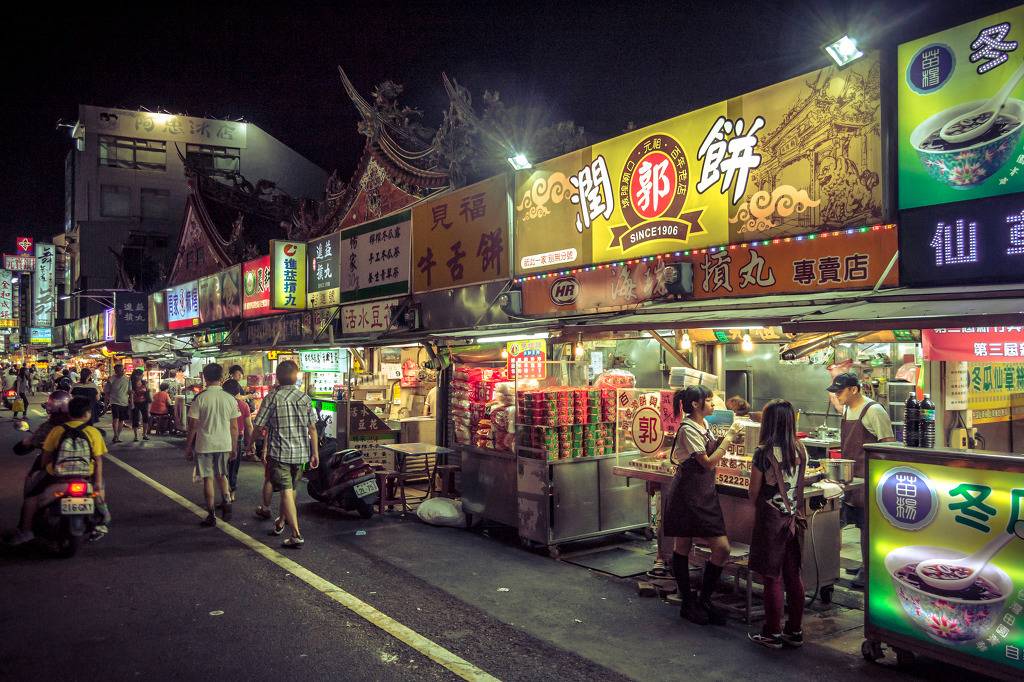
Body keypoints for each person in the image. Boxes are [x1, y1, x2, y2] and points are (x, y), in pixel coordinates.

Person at [663, 385, 744, 625]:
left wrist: (727, 439)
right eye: (708, 400)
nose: (713, 403)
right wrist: (728, 438)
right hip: (687, 492)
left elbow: (710, 452)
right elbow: (707, 463)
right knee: (683, 545)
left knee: (722, 548)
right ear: (696, 404)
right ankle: (688, 602)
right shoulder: (688, 429)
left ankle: (704, 599)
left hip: (703, 492)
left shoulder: (704, 424)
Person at [747, 399, 807, 649]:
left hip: (771, 520)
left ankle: (772, 632)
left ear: (768, 422)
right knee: (793, 575)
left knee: (772, 576)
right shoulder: (800, 449)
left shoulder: (763, 452)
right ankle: (795, 630)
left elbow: (753, 491)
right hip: (793, 518)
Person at [827, 372, 895, 589]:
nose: (837, 396)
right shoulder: (847, 409)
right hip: (849, 478)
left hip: (868, 478)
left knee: (868, 527)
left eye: (840, 391)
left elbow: (888, 445)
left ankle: (870, 571)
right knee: (852, 522)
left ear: (854, 389)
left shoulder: (873, 410)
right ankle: (863, 565)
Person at [10, 397, 108, 545]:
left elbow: (46, 455)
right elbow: (98, 459)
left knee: (31, 499)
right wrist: (98, 482)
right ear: (88, 414)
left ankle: (26, 531)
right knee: (99, 491)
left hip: (57, 475)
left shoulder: (56, 430)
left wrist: (45, 468)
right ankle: (100, 522)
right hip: (84, 474)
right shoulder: (93, 432)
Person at [248, 360, 319, 549]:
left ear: (278, 377)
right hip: (301, 453)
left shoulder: (272, 398)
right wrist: (315, 453)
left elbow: (259, 425)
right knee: (291, 489)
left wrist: (250, 443)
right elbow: (312, 428)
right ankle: (280, 522)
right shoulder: (304, 398)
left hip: (280, 453)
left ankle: (296, 534)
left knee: (286, 491)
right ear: (296, 377)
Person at [185, 363, 239, 527]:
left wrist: (188, 447)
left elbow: (193, 426)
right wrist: (234, 447)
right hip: (224, 443)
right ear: (221, 378)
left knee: (208, 478)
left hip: (205, 444)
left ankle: (211, 515)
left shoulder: (200, 398)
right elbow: (234, 427)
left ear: (205, 378)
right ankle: (227, 500)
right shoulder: (230, 399)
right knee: (222, 475)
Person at [222, 379, 254, 501]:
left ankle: (225, 494)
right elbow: (249, 426)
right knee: (234, 468)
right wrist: (251, 443)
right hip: (238, 439)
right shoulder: (243, 405)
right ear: (238, 391)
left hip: (223, 438)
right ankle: (232, 492)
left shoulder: (223, 404)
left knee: (222, 468)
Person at [104, 364, 131, 443]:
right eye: (119, 370)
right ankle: (115, 435)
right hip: (114, 402)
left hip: (124, 402)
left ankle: (117, 436)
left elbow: (130, 391)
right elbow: (107, 392)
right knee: (115, 418)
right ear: (115, 371)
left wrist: (131, 401)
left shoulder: (127, 379)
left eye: (122, 370)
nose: (121, 372)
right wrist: (106, 403)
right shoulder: (111, 379)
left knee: (121, 420)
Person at [130, 368, 151, 442]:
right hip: (135, 402)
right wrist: (132, 403)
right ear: (136, 375)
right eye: (141, 374)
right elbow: (131, 394)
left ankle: (144, 434)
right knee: (135, 419)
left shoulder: (144, 382)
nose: (142, 376)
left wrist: (148, 389)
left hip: (144, 402)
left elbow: (147, 392)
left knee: (146, 418)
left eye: (142, 374)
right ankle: (136, 436)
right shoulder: (132, 383)